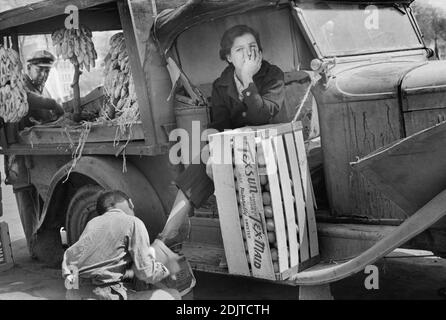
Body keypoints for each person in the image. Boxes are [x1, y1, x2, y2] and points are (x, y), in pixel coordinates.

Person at [157, 25, 285, 248]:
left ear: (260, 53)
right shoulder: (221, 84)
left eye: (253, 48)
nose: (248, 54)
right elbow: (220, 125)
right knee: (202, 164)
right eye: (239, 50)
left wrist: (248, 81)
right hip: (235, 146)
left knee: (223, 166)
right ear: (228, 57)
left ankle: (245, 244)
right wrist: (211, 145)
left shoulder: (273, 75)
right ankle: (167, 236)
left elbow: (262, 115)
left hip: (268, 146)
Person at [62, 190, 181, 300]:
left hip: (74, 292)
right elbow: (146, 272)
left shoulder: (92, 224)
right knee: (173, 295)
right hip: (103, 294)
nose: (133, 207)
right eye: (131, 203)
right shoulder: (133, 222)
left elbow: (96, 266)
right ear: (129, 202)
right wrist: (166, 267)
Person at [21, 50, 64, 128]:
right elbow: (28, 97)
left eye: (47, 71)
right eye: (39, 70)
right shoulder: (21, 84)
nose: (43, 75)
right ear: (29, 68)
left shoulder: (44, 90)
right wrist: (54, 104)